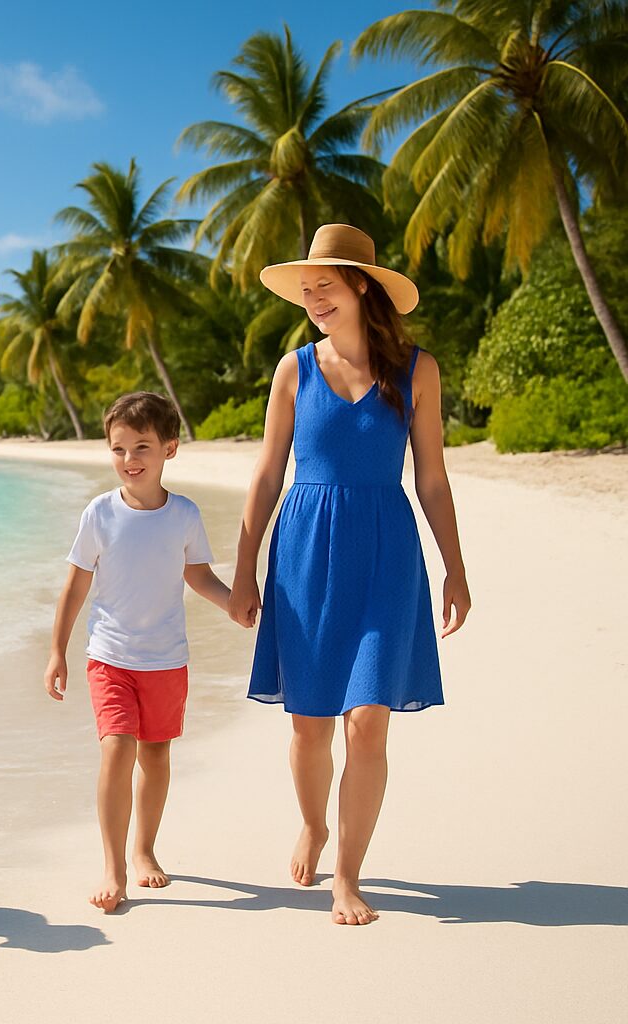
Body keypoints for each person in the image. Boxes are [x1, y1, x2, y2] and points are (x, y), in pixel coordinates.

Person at [230, 224, 471, 926]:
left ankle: (348, 877)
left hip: (387, 555)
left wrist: (455, 567)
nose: (313, 301)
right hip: (306, 556)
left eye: (324, 287)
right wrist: (243, 569)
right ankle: (313, 822)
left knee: (368, 721)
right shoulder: (293, 369)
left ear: (361, 284)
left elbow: (432, 477)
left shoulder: (417, 370)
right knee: (309, 727)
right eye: (306, 292)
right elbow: (268, 472)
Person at [45, 392, 232, 913]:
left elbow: (197, 575)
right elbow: (75, 587)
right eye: (119, 449)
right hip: (110, 656)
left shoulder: (185, 515)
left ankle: (145, 850)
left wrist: (233, 605)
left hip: (167, 659)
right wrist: (57, 651)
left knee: (156, 754)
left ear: (170, 448)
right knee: (117, 746)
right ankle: (113, 865)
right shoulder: (99, 514)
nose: (130, 459)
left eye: (142, 447)